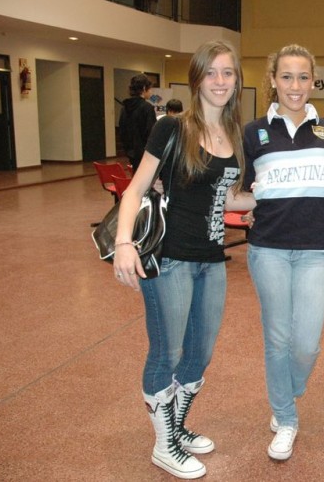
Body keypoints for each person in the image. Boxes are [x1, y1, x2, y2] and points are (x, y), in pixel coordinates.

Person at [112, 40, 255, 479]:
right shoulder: (172, 128)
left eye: (227, 73)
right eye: (211, 72)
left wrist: (272, 198)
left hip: (211, 261)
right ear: (196, 79)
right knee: (167, 352)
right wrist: (123, 243)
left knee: (200, 353)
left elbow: (228, 198)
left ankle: (175, 427)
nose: (220, 81)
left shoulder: (235, 135)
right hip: (170, 259)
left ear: (237, 81)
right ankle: (164, 445)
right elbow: (136, 188)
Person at [242, 44, 324, 461]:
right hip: (269, 249)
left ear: (313, 81)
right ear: (273, 80)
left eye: (302, 77)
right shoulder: (253, 132)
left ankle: (287, 389)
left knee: (307, 344)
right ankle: (285, 417)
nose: (295, 86)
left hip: (316, 249)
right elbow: (240, 188)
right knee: (277, 339)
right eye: (286, 77)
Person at [118, 73, 157, 172]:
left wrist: (128, 150)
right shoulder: (147, 107)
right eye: (150, 88)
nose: (151, 91)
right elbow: (151, 133)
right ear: (144, 88)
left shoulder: (124, 107)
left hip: (131, 153)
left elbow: (122, 131)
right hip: (146, 154)